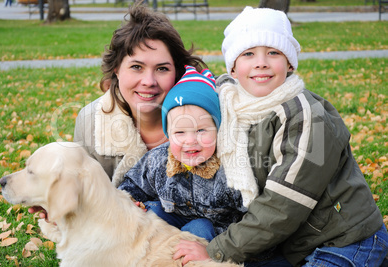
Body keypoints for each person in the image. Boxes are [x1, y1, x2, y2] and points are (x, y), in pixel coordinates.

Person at [173, 7, 388, 267]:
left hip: (344, 240)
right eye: (248, 53)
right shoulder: (228, 105)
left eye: (273, 52)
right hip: (290, 242)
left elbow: (284, 205)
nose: (261, 62)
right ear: (233, 66)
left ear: (289, 63)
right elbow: (184, 143)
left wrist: (217, 250)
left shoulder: (307, 117)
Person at [28, 4, 206, 218]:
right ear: (116, 69)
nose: (148, 81)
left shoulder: (205, 114)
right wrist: (59, 202)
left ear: (177, 72)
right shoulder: (91, 121)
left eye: (162, 69)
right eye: (136, 67)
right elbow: (84, 194)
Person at [119, 65, 247, 242]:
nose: (190, 140)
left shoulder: (230, 169)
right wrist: (131, 202)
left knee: (199, 227)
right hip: (173, 221)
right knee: (151, 212)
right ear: (168, 134)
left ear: (217, 131)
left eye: (201, 130)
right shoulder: (158, 159)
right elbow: (134, 184)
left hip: (215, 236)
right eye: (180, 132)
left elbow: (252, 214)